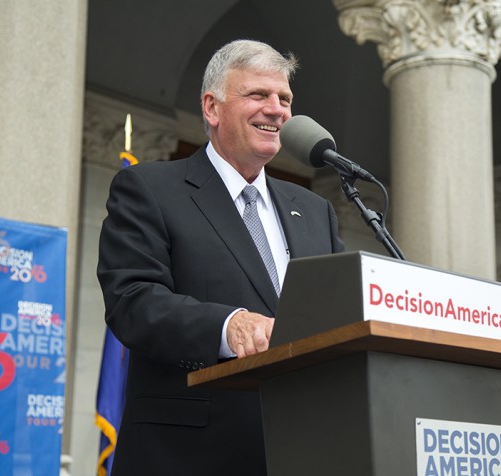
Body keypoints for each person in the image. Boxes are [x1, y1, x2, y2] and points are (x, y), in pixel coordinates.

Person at [97, 39, 344, 475]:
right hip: (188, 454)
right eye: (258, 95)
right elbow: (133, 300)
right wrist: (229, 326)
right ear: (212, 108)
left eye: (284, 99)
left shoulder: (315, 211)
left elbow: (338, 312)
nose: (277, 110)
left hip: (303, 450)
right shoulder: (151, 188)